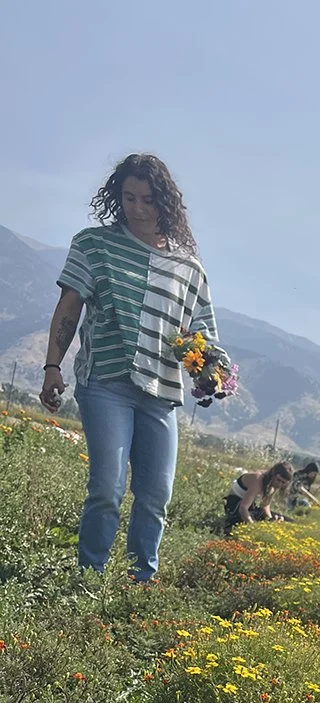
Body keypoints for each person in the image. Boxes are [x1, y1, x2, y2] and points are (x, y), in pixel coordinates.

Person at [39, 153, 219, 581]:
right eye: (129, 197)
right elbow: (68, 309)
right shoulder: (94, 245)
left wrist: (213, 371)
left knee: (156, 494)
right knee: (108, 487)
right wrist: (52, 366)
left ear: (167, 204)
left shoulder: (189, 269)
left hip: (163, 394)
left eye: (148, 199)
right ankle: (91, 578)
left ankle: (140, 584)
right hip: (106, 382)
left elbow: (204, 336)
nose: (137, 208)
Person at [223, 462, 294, 532]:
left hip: (249, 507)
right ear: (273, 474)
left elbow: (265, 505)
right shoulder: (258, 479)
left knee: (287, 521)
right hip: (235, 506)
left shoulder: (272, 485)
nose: (279, 484)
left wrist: (270, 520)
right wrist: (253, 528)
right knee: (252, 520)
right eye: (278, 480)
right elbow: (243, 508)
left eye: (283, 482)